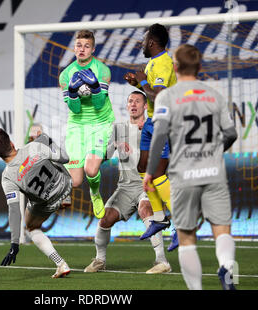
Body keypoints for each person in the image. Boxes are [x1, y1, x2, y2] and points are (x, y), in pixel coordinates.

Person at [143, 44, 238, 290]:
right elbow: (231, 133)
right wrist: (216, 151)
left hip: (184, 174)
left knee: (186, 238)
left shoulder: (167, 96)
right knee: (222, 229)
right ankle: (227, 267)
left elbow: (160, 136)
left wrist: (151, 172)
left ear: (175, 67)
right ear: (200, 67)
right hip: (214, 172)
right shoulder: (214, 95)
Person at [84, 91, 171, 274]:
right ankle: (100, 260)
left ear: (145, 106)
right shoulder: (118, 129)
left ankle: (162, 262)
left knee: (146, 209)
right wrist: (113, 146)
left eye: (137, 101)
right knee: (105, 219)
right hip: (125, 187)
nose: (133, 104)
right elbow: (105, 156)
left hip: (147, 184)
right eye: (130, 101)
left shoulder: (153, 127)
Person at [0, 128, 72, 278]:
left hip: (48, 203)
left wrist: (15, 243)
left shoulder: (7, 177)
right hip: (66, 183)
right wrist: (45, 139)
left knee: (31, 227)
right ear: (12, 143)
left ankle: (60, 263)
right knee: (51, 157)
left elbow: (14, 211)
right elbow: (65, 158)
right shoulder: (34, 147)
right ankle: (65, 197)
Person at [124, 23, 178, 250]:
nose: (142, 43)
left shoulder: (164, 63)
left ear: (152, 42)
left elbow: (159, 96)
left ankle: (181, 224)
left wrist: (143, 81)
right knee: (143, 168)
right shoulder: (153, 62)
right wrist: (138, 82)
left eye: (145, 40)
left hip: (164, 122)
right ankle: (159, 218)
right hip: (152, 123)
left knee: (156, 173)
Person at [59, 29, 115, 219]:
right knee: (74, 181)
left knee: (91, 170)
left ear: (93, 49)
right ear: (74, 47)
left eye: (86, 46)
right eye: (79, 45)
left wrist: (96, 87)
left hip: (100, 123)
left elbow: (99, 105)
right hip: (77, 126)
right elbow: (74, 109)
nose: (82, 49)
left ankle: (95, 193)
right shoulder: (65, 76)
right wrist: (73, 92)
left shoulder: (103, 70)